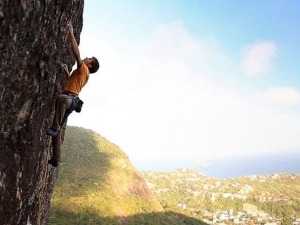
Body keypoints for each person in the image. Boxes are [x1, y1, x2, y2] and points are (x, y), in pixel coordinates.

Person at [47, 23, 100, 167]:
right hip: (72, 99)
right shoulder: (82, 74)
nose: (86, 58)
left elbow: (76, 54)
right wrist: (66, 71)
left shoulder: (84, 69)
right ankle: (56, 158)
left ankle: (55, 127)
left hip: (69, 100)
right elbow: (71, 82)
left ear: (90, 65)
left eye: (89, 59)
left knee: (60, 98)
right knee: (57, 131)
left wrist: (71, 33)